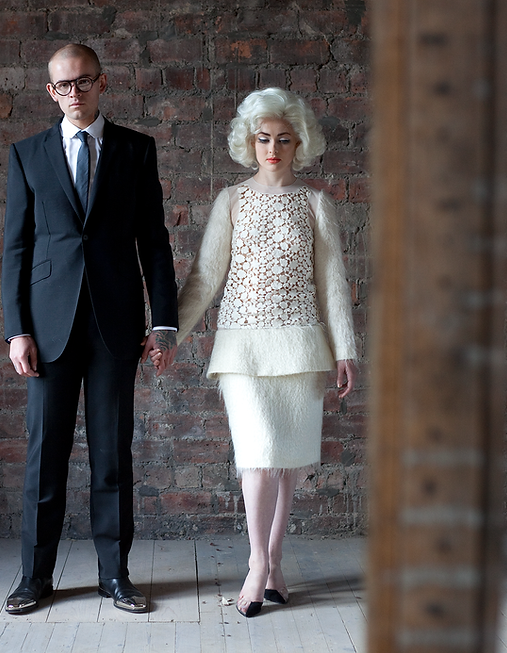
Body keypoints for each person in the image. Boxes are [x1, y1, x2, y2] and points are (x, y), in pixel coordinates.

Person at [157, 88, 358, 617]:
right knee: (258, 456)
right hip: (243, 347)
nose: (273, 148)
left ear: (300, 143)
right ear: (250, 142)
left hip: (301, 346)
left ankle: (275, 559)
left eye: (284, 139)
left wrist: (347, 351)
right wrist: (168, 333)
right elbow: (204, 279)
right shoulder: (231, 200)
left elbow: (333, 282)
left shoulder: (317, 204)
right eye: (264, 138)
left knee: (286, 461)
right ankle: (256, 566)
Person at [1, 43, 178, 615]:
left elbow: (154, 241)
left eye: (82, 82)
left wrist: (164, 321)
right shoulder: (27, 155)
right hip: (47, 327)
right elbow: (16, 250)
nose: (72, 93)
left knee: (112, 456)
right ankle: (34, 578)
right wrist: (15, 330)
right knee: (43, 456)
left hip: (115, 324)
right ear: (50, 92)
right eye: (61, 86)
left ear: (103, 83)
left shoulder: (135, 150)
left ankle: (114, 575)